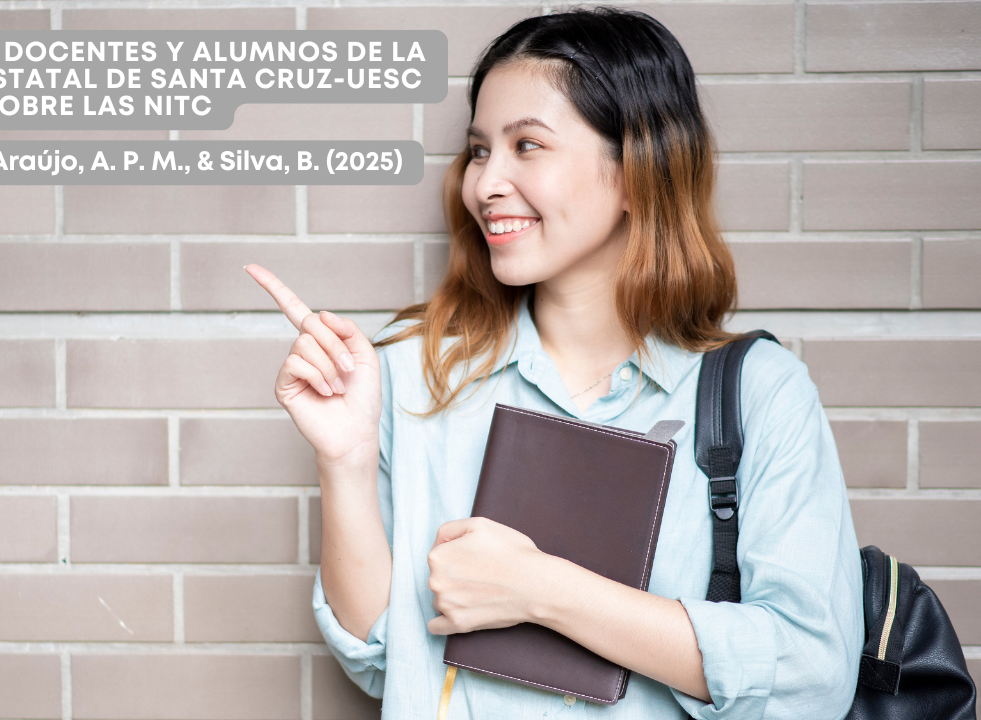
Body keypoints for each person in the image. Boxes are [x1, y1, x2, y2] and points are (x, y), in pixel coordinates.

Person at [246, 6, 863, 718]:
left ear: (639, 171)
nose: (485, 185)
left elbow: (811, 675)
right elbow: (380, 656)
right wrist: (345, 464)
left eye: (527, 146)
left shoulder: (758, 393)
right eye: (479, 151)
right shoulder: (411, 372)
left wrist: (541, 590)